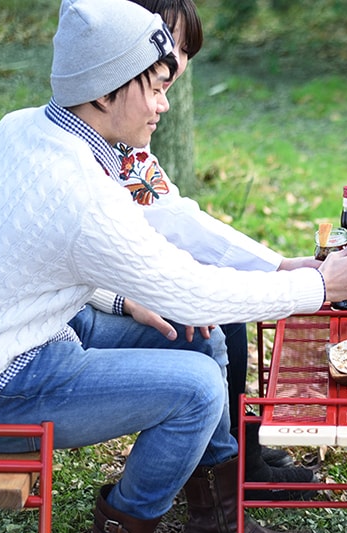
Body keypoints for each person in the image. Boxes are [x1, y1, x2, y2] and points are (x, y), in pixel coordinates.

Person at [0, 1, 347, 533]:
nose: (166, 104)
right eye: (157, 87)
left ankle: (215, 526)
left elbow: (27, 255)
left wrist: (123, 300)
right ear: (107, 89)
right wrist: (321, 286)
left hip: (29, 337)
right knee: (195, 387)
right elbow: (191, 290)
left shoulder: (28, 127)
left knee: (204, 337)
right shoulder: (82, 190)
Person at [105, 0, 319, 500]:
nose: (177, 63)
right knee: (214, 316)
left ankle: (238, 455)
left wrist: (278, 265)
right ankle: (224, 478)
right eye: (170, 45)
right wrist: (285, 271)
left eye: (182, 51)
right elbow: (170, 222)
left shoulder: (129, 121)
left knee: (224, 312)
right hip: (96, 299)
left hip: (116, 279)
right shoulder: (109, 120)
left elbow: (173, 214)